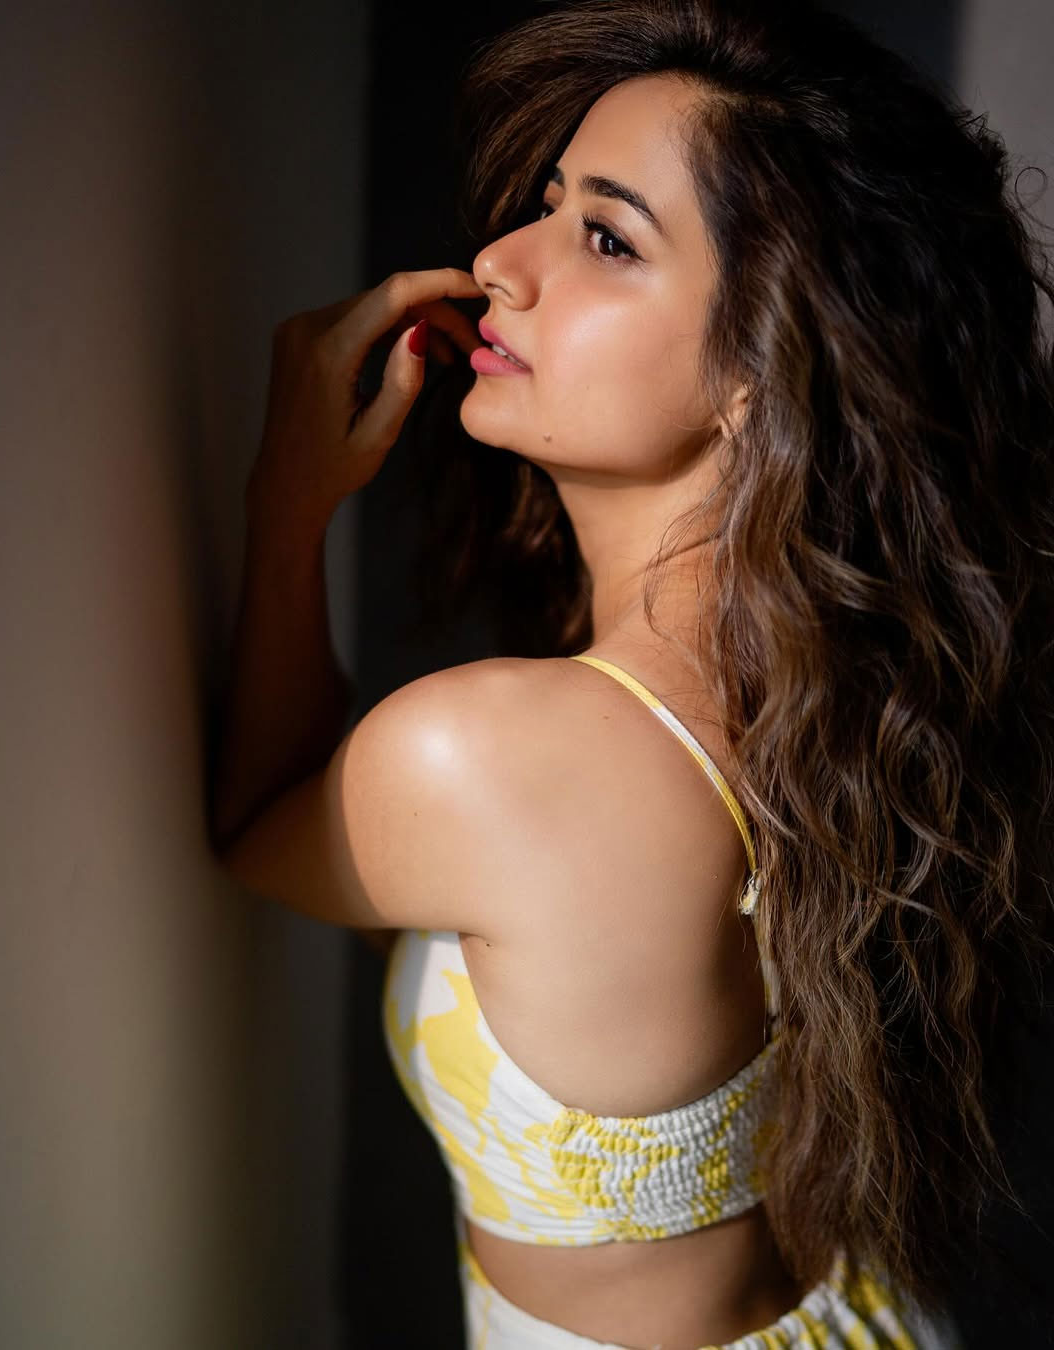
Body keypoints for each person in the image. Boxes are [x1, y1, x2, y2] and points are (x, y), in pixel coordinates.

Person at [210, 1, 1054, 1345]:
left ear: (761, 367)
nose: (499, 261)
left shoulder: (491, 758)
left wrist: (286, 503)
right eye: (548, 206)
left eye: (607, 238)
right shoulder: (851, 688)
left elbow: (261, 823)